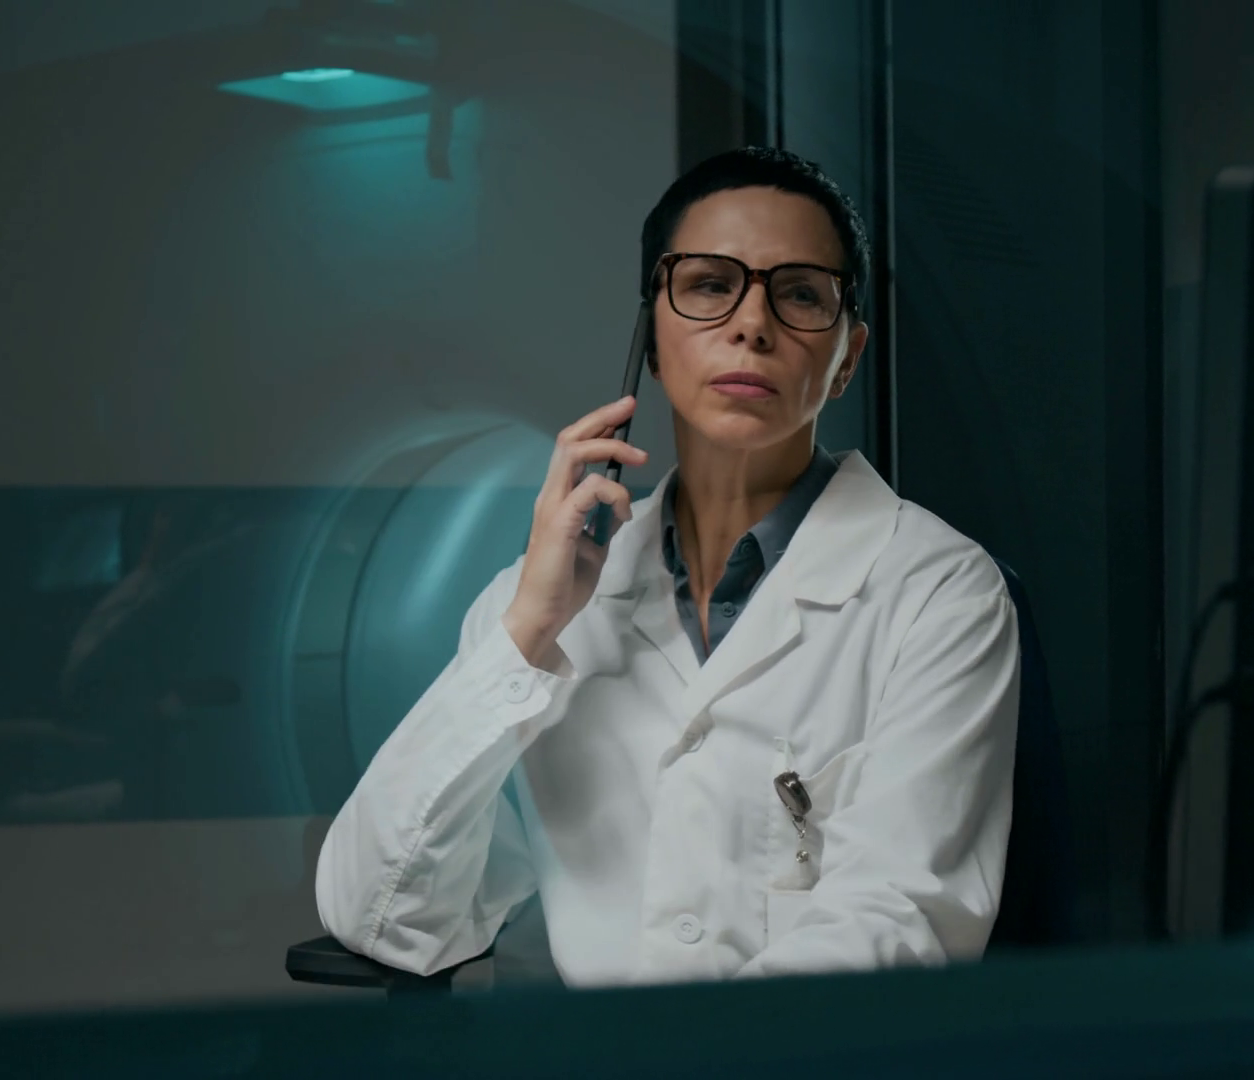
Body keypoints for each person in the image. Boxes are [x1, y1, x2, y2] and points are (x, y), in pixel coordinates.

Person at [316, 147, 1021, 986]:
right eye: (710, 284)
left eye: (801, 294)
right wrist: (527, 634)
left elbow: (896, 926)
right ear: (650, 338)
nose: (752, 324)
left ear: (847, 358)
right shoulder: (534, 607)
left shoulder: (940, 593)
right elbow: (384, 915)